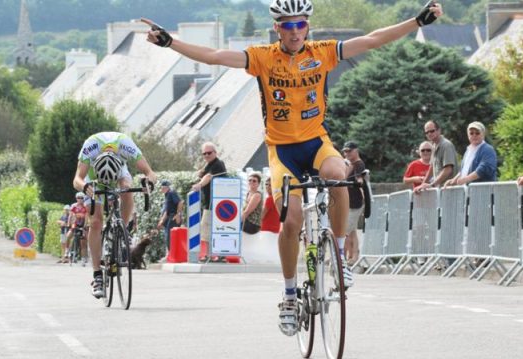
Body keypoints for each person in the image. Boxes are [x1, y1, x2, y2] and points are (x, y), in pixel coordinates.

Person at [142, 0, 443, 336]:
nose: (295, 31)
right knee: (293, 219)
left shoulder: (324, 52)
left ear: (308, 27)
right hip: (282, 151)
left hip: (317, 143)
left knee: (339, 177)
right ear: (277, 29)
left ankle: (340, 258)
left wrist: (417, 21)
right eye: (288, 25)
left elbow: (372, 39)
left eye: (301, 24)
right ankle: (288, 295)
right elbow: (214, 56)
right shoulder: (262, 57)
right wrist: (171, 43)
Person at [72, 132, 157, 298]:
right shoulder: (90, 147)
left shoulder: (125, 145)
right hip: (94, 178)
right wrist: (84, 187)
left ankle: (120, 232)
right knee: (96, 222)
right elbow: (77, 179)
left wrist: (149, 182)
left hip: (119, 170)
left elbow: (150, 172)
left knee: (126, 188)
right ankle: (97, 276)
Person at [191, 142, 227, 262]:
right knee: (212, 228)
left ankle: (210, 255)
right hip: (213, 202)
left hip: (215, 203)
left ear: (215, 153)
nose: (206, 155)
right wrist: (201, 174)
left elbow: (208, 177)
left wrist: (199, 185)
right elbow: (203, 174)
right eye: (204, 153)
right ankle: (213, 254)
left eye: (209, 153)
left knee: (206, 227)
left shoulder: (218, 164)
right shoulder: (210, 164)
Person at [444, 122, 497, 186]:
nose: (474, 135)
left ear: (483, 134)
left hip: (484, 191)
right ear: (468, 135)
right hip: (469, 192)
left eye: (477, 133)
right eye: (471, 133)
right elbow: (463, 171)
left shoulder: (488, 149)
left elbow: (484, 169)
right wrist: (453, 181)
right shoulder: (468, 151)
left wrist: (466, 179)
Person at [414, 120, 458, 192]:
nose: (429, 134)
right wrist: (422, 185)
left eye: (432, 131)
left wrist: (432, 185)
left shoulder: (446, 145)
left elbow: (448, 169)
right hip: (440, 190)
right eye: (427, 132)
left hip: (450, 190)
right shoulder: (434, 146)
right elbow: (431, 168)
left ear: (439, 130)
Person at [343, 141, 366, 266]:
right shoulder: (350, 164)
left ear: (356, 151)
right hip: (349, 202)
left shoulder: (358, 164)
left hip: (355, 203)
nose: (347, 153)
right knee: (351, 231)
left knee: (345, 231)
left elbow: (360, 179)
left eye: (349, 151)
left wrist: (360, 181)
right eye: (345, 151)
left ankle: (343, 256)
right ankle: (353, 256)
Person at [157, 180, 184, 253]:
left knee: (170, 237)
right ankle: (171, 254)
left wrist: (178, 215)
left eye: (162, 187)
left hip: (173, 217)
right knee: (168, 237)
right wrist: (161, 221)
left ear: (166, 187)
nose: (161, 189)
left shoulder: (171, 193)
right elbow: (166, 210)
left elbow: (180, 202)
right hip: (169, 217)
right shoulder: (167, 195)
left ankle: (173, 254)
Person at [67, 191, 89, 266]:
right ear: (76, 198)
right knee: (68, 236)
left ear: (84, 199)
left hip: (82, 225)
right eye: (78, 198)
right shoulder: (74, 206)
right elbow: (71, 216)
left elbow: (86, 217)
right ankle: (67, 251)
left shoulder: (86, 206)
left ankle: (84, 258)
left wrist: (85, 226)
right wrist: (69, 224)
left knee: (83, 242)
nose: (80, 199)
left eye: (81, 198)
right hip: (75, 224)